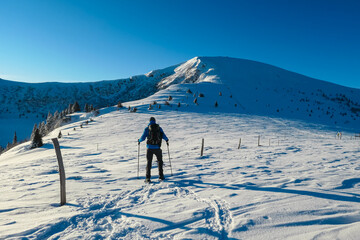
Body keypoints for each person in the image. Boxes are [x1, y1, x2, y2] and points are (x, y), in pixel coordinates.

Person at [138, 117, 169, 183]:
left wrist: (139, 140)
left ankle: (147, 178)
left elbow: (143, 138)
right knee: (160, 161)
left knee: (149, 163)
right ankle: (161, 176)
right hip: (157, 148)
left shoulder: (147, 129)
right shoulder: (159, 128)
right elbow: (163, 136)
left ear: (149, 121)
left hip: (149, 148)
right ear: (155, 121)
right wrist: (166, 140)